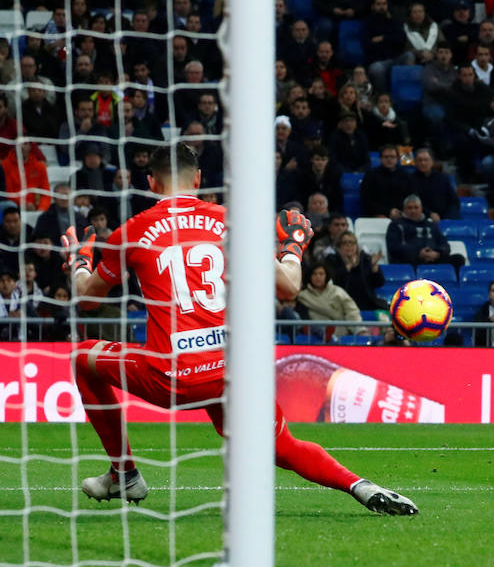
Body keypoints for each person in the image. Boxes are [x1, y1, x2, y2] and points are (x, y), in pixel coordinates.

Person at [63, 143, 416, 515]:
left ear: (151, 183)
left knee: (82, 357)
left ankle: (124, 473)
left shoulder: (133, 230)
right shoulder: (231, 222)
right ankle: (360, 486)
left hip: (171, 376)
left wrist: (79, 261)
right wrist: (292, 247)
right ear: (198, 179)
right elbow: (289, 287)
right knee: (281, 446)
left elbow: (85, 298)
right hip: (231, 373)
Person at [386, 194, 465, 272]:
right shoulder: (396, 225)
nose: (413, 210)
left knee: (458, 259)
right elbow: (394, 247)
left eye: (416, 207)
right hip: (411, 259)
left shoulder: (431, 225)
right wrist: (418, 253)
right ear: (404, 209)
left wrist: (437, 253)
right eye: (409, 208)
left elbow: (444, 244)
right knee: (407, 259)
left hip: (433, 258)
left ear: (421, 209)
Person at [325, 231, 388, 312]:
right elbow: (333, 281)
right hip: (342, 305)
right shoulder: (332, 260)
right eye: (345, 243)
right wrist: (348, 266)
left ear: (357, 246)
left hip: (367, 304)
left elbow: (380, 283)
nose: (349, 245)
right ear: (339, 247)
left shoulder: (365, 260)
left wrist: (374, 267)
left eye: (352, 242)